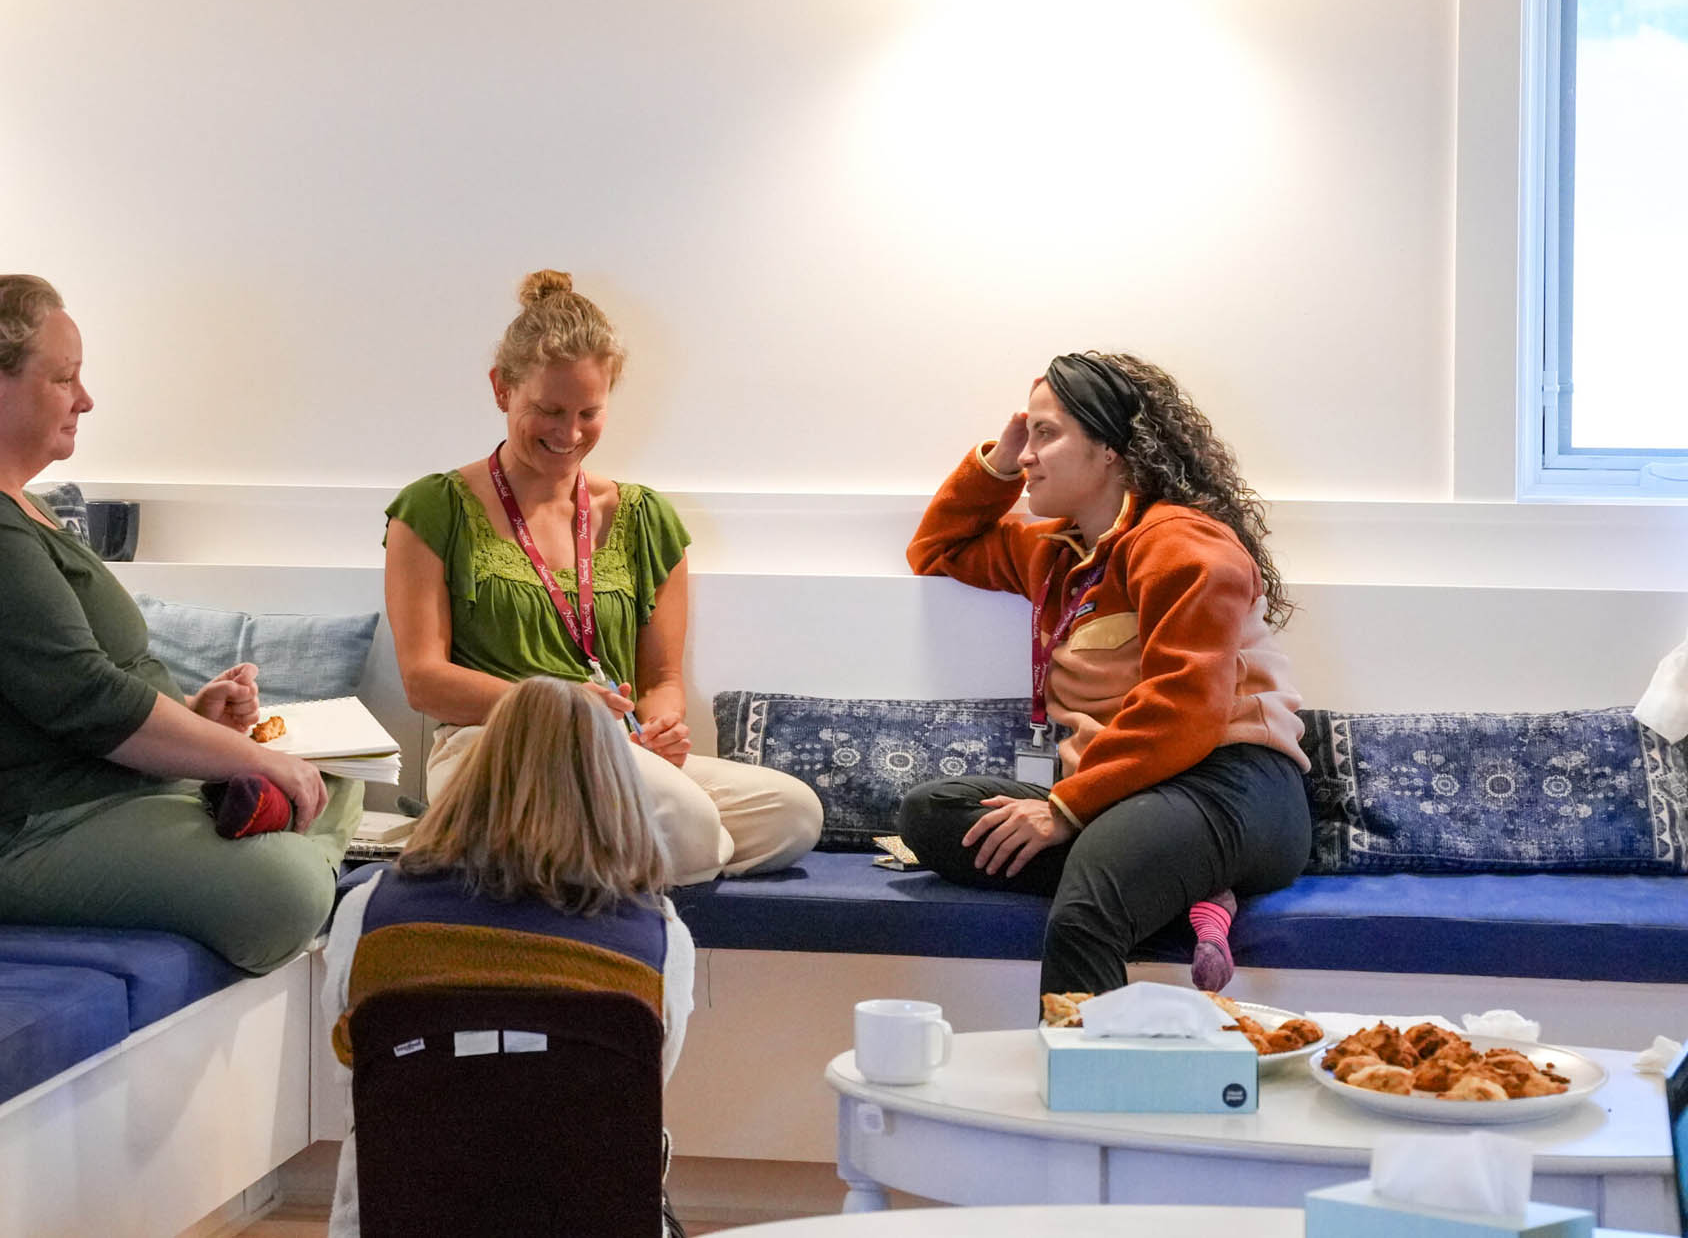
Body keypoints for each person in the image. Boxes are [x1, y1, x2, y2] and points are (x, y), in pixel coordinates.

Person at [0, 273, 361, 974]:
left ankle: (270, 829)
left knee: (343, 775)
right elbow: (86, 697)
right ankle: (290, 855)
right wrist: (242, 755)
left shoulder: (14, 506)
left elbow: (61, 680)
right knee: (287, 888)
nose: (85, 399)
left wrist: (194, 716)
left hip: (94, 795)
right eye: (65, 378)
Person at [383, 270, 823, 885]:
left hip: (617, 750)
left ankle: (565, 860)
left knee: (792, 814)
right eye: (548, 410)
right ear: (501, 389)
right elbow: (425, 683)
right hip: (493, 750)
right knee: (689, 824)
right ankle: (609, 853)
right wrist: (563, 710)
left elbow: (662, 679)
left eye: (589, 412)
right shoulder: (434, 506)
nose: (569, 434)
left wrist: (662, 724)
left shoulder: (646, 517)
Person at [896, 352, 1311, 999]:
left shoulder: (1184, 543)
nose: (1028, 454)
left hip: (1235, 784)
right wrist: (999, 460)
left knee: (1088, 903)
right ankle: (1190, 892)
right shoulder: (1056, 552)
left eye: (1046, 433)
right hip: (1129, 794)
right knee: (935, 814)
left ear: (1112, 448)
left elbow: (1186, 707)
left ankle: (1080, 1095)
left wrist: (1065, 807)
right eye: (1025, 434)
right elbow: (937, 550)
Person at [321, 676, 695, 1238]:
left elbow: (356, 1072)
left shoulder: (367, 909)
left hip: (396, 1216)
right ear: (617, 791)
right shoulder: (661, 937)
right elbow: (640, 1087)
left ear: (475, 775)